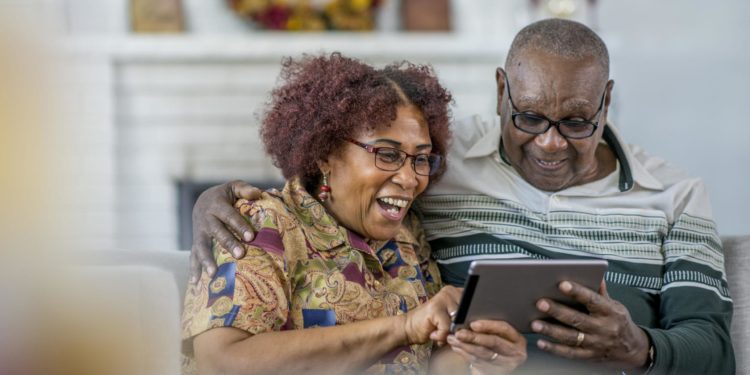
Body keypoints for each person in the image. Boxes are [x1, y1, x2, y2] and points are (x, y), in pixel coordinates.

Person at [189, 20, 734, 374]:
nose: (549, 141)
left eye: (575, 122)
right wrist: (212, 199)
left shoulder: (677, 195)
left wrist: (638, 347)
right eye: (529, 117)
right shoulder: (447, 166)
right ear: (501, 91)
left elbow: (714, 349)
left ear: (606, 101)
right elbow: (323, 186)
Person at [181, 53, 528, 375]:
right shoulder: (263, 225)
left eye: (421, 158)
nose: (410, 178)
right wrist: (402, 327)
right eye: (387, 154)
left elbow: (430, 361)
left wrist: (480, 358)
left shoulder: (409, 238)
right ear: (325, 155)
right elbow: (222, 362)